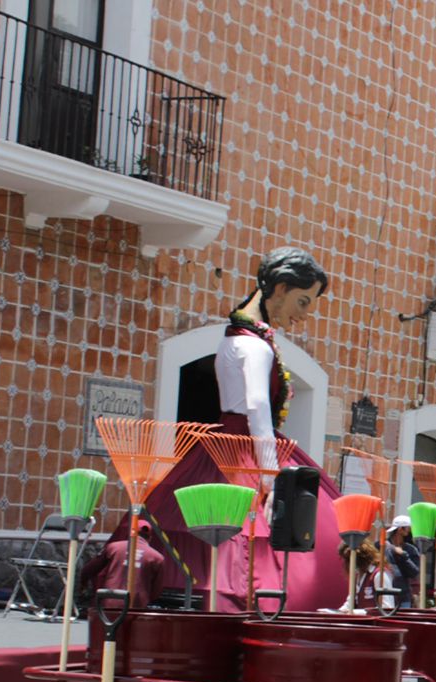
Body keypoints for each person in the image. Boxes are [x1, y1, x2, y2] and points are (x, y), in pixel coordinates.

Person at [110, 248, 348, 611]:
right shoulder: (255, 347)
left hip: (220, 445)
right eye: (302, 301)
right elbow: (257, 408)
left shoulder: (233, 339)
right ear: (280, 288)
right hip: (245, 452)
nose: (304, 315)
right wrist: (269, 477)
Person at [80, 519, 167, 609]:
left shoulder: (113, 547)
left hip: (110, 601)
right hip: (136, 606)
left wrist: (83, 584)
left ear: (130, 533)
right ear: (150, 538)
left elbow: (89, 570)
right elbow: (157, 591)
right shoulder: (157, 558)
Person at [384, 515, 421, 601]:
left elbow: (414, 572)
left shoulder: (411, 550)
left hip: (404, 596)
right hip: (386, 596)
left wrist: (403, 556)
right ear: (400, 529)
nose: (410, 531)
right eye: (408, 528)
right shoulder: (382, 547)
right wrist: (393, 550)